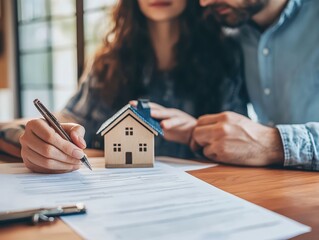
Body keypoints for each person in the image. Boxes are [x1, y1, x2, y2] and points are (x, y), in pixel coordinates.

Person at [0, 0, 246, 173]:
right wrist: (31, 134)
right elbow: (65, 121)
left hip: (207, 192)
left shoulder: (227, 55)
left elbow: (238, 143)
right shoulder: (108, 63)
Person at [192, 0, 319, 170]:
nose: (204, 2)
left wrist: (273, 144)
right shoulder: (236, 35)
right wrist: (199, 132)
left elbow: (264, 143)